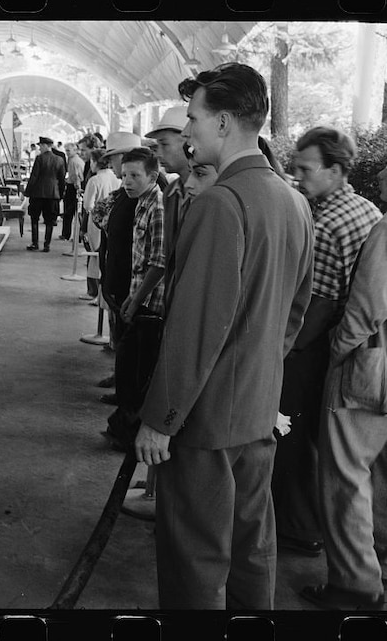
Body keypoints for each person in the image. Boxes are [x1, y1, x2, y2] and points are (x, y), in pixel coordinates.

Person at [134, 62, 314, 610]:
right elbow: (293, 315)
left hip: (205, 421)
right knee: (252, 552)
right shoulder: (294, 201)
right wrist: (255, 373)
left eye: (193, 118)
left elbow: (195, 328)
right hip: (258, 412)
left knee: (195, 560)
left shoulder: (219, 203)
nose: (186, 131)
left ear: (225, 123)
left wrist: (160, 419)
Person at [272, 126, 382, 560]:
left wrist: (290, 348)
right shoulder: (366, 208)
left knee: (295, 437)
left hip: (322, 344)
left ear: (335, 170)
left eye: (305, 169)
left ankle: (299, 527)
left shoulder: (326, 221)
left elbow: (320, 301)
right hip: (359, 348)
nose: (298, 177)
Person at [300, 164, 387, 610]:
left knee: (345, 477)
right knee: (380, 474)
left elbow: (365, 308)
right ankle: (378, 565)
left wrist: (335, 350)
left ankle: (354, 586)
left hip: (367, 368)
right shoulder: (372, 213)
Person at [103, 148, 166, 450]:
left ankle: (129, 435)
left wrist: (135, 298)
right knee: (127, 370)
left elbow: (159, 262)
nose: (127, 181)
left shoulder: (159, 207)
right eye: (125, 174)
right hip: (136, 298)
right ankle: (123, 428)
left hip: (150, 306)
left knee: (137, 373)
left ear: (152, 176)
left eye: (134, 176)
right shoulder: (140, 201)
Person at [96, 132, 143, 369]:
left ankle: (126, 396)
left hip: (129, 283)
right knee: (122, 336)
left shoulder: (142, 194)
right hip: (118, 278)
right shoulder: (125, 191)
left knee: (130, 341)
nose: (110, 164)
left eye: (113, 158)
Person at [145, 106, 189, 299]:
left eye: (165, 145)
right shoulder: (171, 192)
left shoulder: (214, 194)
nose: (158, 154)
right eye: (157, 147)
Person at [81, 149, 120, 304]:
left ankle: (93, 291)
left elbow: (88, 205)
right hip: (113, 222)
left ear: (96, 162)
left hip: (96, 223)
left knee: (94, 255)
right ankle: (102, 294)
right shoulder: (116, 178)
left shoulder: (95, 180)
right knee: (105, 257)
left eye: (91, 161)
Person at [24, 136, 66, 252]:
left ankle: (35, 243)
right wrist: (61, 194)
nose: (40, 148)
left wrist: (27, 192)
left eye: (41, 146)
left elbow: (34, 176)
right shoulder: (60, 160)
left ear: (46, 146)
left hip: (37, 193)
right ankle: (47, 245)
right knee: (50, 221)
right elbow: (62, 179)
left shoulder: (39, 158)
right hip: (53, 194)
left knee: (34, 218)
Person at [61, 143, 84, 241]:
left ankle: (67, 234)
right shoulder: (72, 159)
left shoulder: (74, 161)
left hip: (73, 187)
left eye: (69, 151)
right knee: (71, 212)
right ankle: (69, 234)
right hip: (72, 185)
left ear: (75, 150)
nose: (67, 153)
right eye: (66, 151)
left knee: (69, 212)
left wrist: (77, 188)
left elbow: (76, 176)